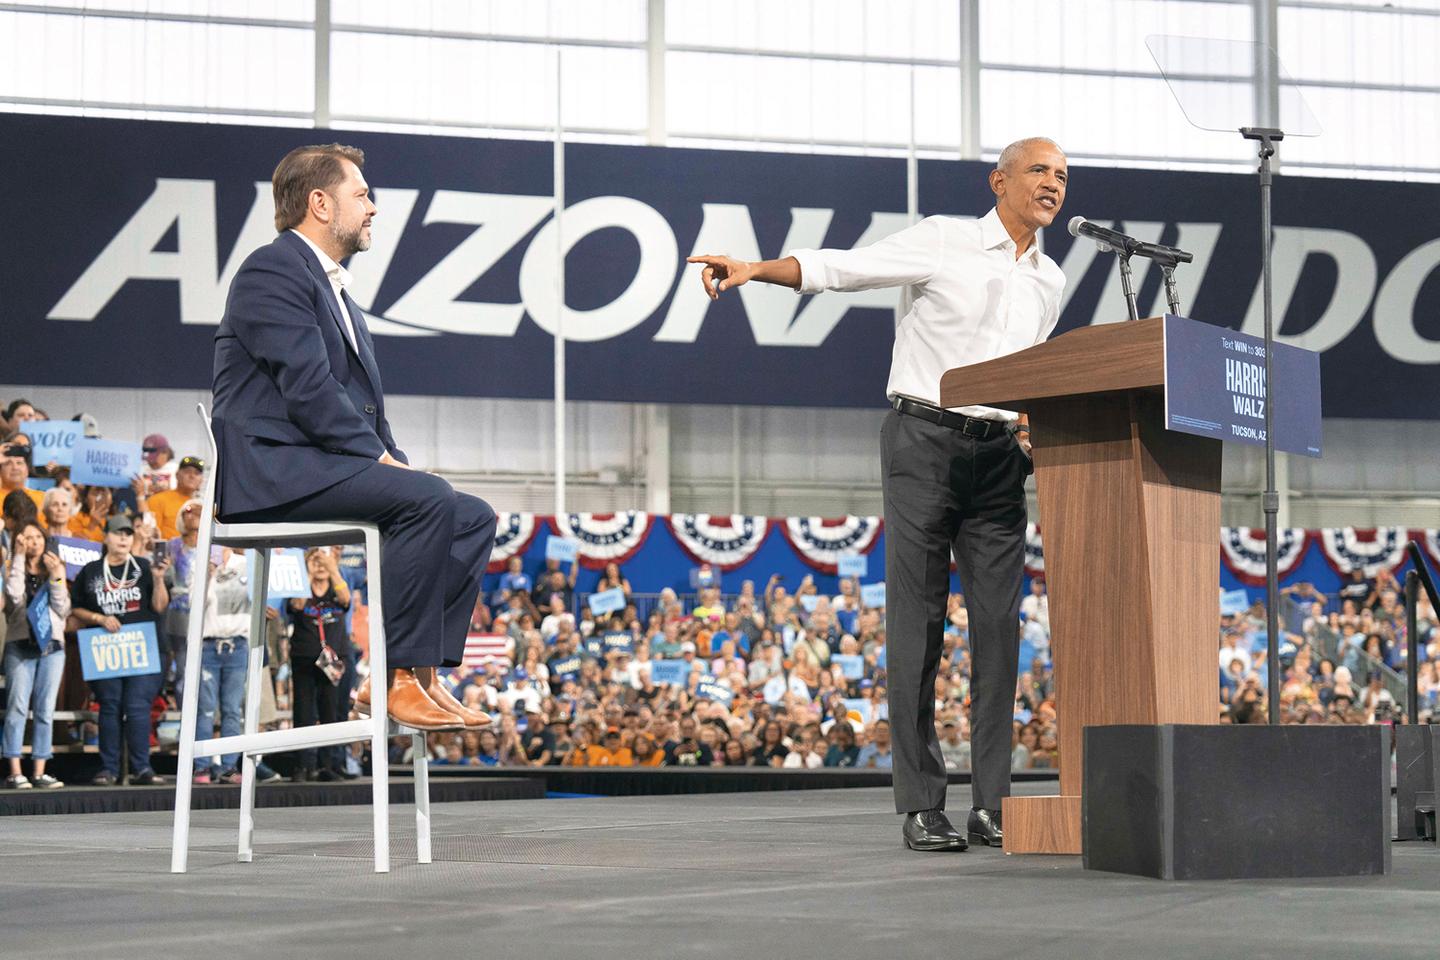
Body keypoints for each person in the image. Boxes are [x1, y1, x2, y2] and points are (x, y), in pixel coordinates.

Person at [688, 137, 1067, 851]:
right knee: (918, 627)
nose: (1054, 184)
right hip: (924, 443)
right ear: (1000, 181)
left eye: (1064, 176)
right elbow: (842, 269)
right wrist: (755, 270)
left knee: (999, 634)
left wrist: (1029, 421)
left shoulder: (1051, 281)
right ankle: (922, 805)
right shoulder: (946, 241)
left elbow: (1026, 375)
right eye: (1041, 170)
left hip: (998, 464)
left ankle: (993, 804)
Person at [212, 143, 497, 732]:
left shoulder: (337, 291)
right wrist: (382, 462)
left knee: (472, 516)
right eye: (361, 194)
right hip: (272, 472)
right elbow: (309, 390)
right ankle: (393, 677)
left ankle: (417, 675)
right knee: (428, 500)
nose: (373, 207)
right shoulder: (272, 269)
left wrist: (395, 459)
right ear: (319, 203)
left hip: (317, 463)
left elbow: (364, 410)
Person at [68, 515, 170, 785]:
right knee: (110, 706)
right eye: (117, 533)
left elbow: (159, 607)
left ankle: (142, 768)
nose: (124, 538)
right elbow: (75, 607)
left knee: (137, 707)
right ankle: (109, 768)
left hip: (142, 649)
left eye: (127, 533)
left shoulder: (145, 567)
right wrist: (99, 619)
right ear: (106, 538)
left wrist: (159, 580)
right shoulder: (90, 571)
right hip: (105, 649)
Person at [3, 520, 70, 788]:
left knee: (45, 710)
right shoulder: (13, 567)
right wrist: (17, 557)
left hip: (51, 648)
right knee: (17, 707)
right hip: (20, 644)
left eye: (38, 537)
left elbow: (63, 608)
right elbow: (14, 596)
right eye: (27, 538)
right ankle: (15, 771)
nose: (34, 542)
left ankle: (40, 770)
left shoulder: (55, 569)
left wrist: (56, 575)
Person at [286, 548, 352, 781]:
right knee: (303, 712)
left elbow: (346, 601)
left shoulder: (338, 586)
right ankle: (303, 766)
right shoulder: (300, 588)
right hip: (304, 658)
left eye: (323, 560)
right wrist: (307, 571)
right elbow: (297, 604)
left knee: (330, 712)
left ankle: (327, 765)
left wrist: (332, 567)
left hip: (334, 660)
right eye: (315, 561)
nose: (320, 565)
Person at [143, 455, 203, 540]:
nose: (192, 476)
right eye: (187, 471)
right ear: (177, 475)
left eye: (197, 473)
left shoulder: (203, 506)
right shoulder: (158, 500)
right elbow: (152, 536)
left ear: (201, 480)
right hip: (167, 551)